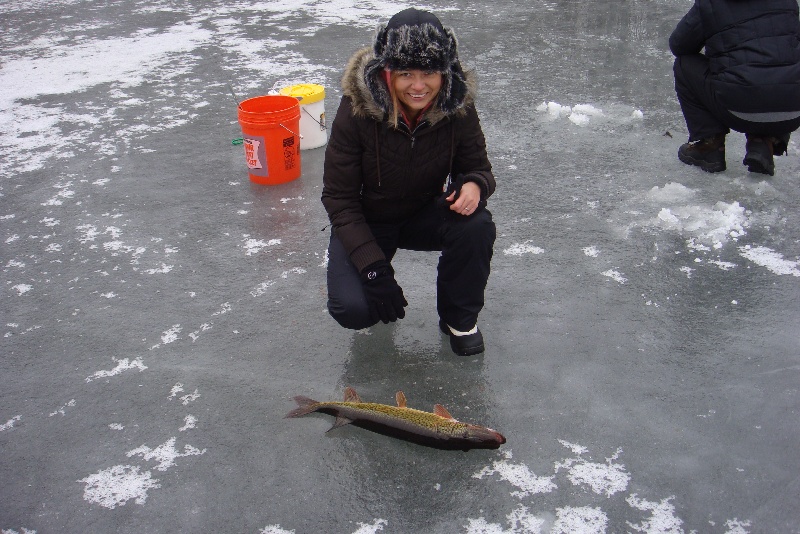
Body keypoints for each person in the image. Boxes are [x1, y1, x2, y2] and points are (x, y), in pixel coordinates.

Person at [321, 8, 496, 356]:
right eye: (406, 74)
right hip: (368, 221)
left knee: (476, 226)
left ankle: (458, 320)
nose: (419, 86)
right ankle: (368, 277)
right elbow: (338, 199)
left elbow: (478, 168)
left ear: (444, 72)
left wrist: (474, 185)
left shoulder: (457, 106)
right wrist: (373, 270)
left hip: (422, 213)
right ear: (387, 73)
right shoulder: (356, 110)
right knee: (354, 309)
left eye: (429, 72)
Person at [669, 0, 800, 176]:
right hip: (792, 111)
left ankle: (710, 145)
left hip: (739, 107)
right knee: (780, 67)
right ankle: (764, 141)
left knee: (684, 65)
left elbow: (679, 44)